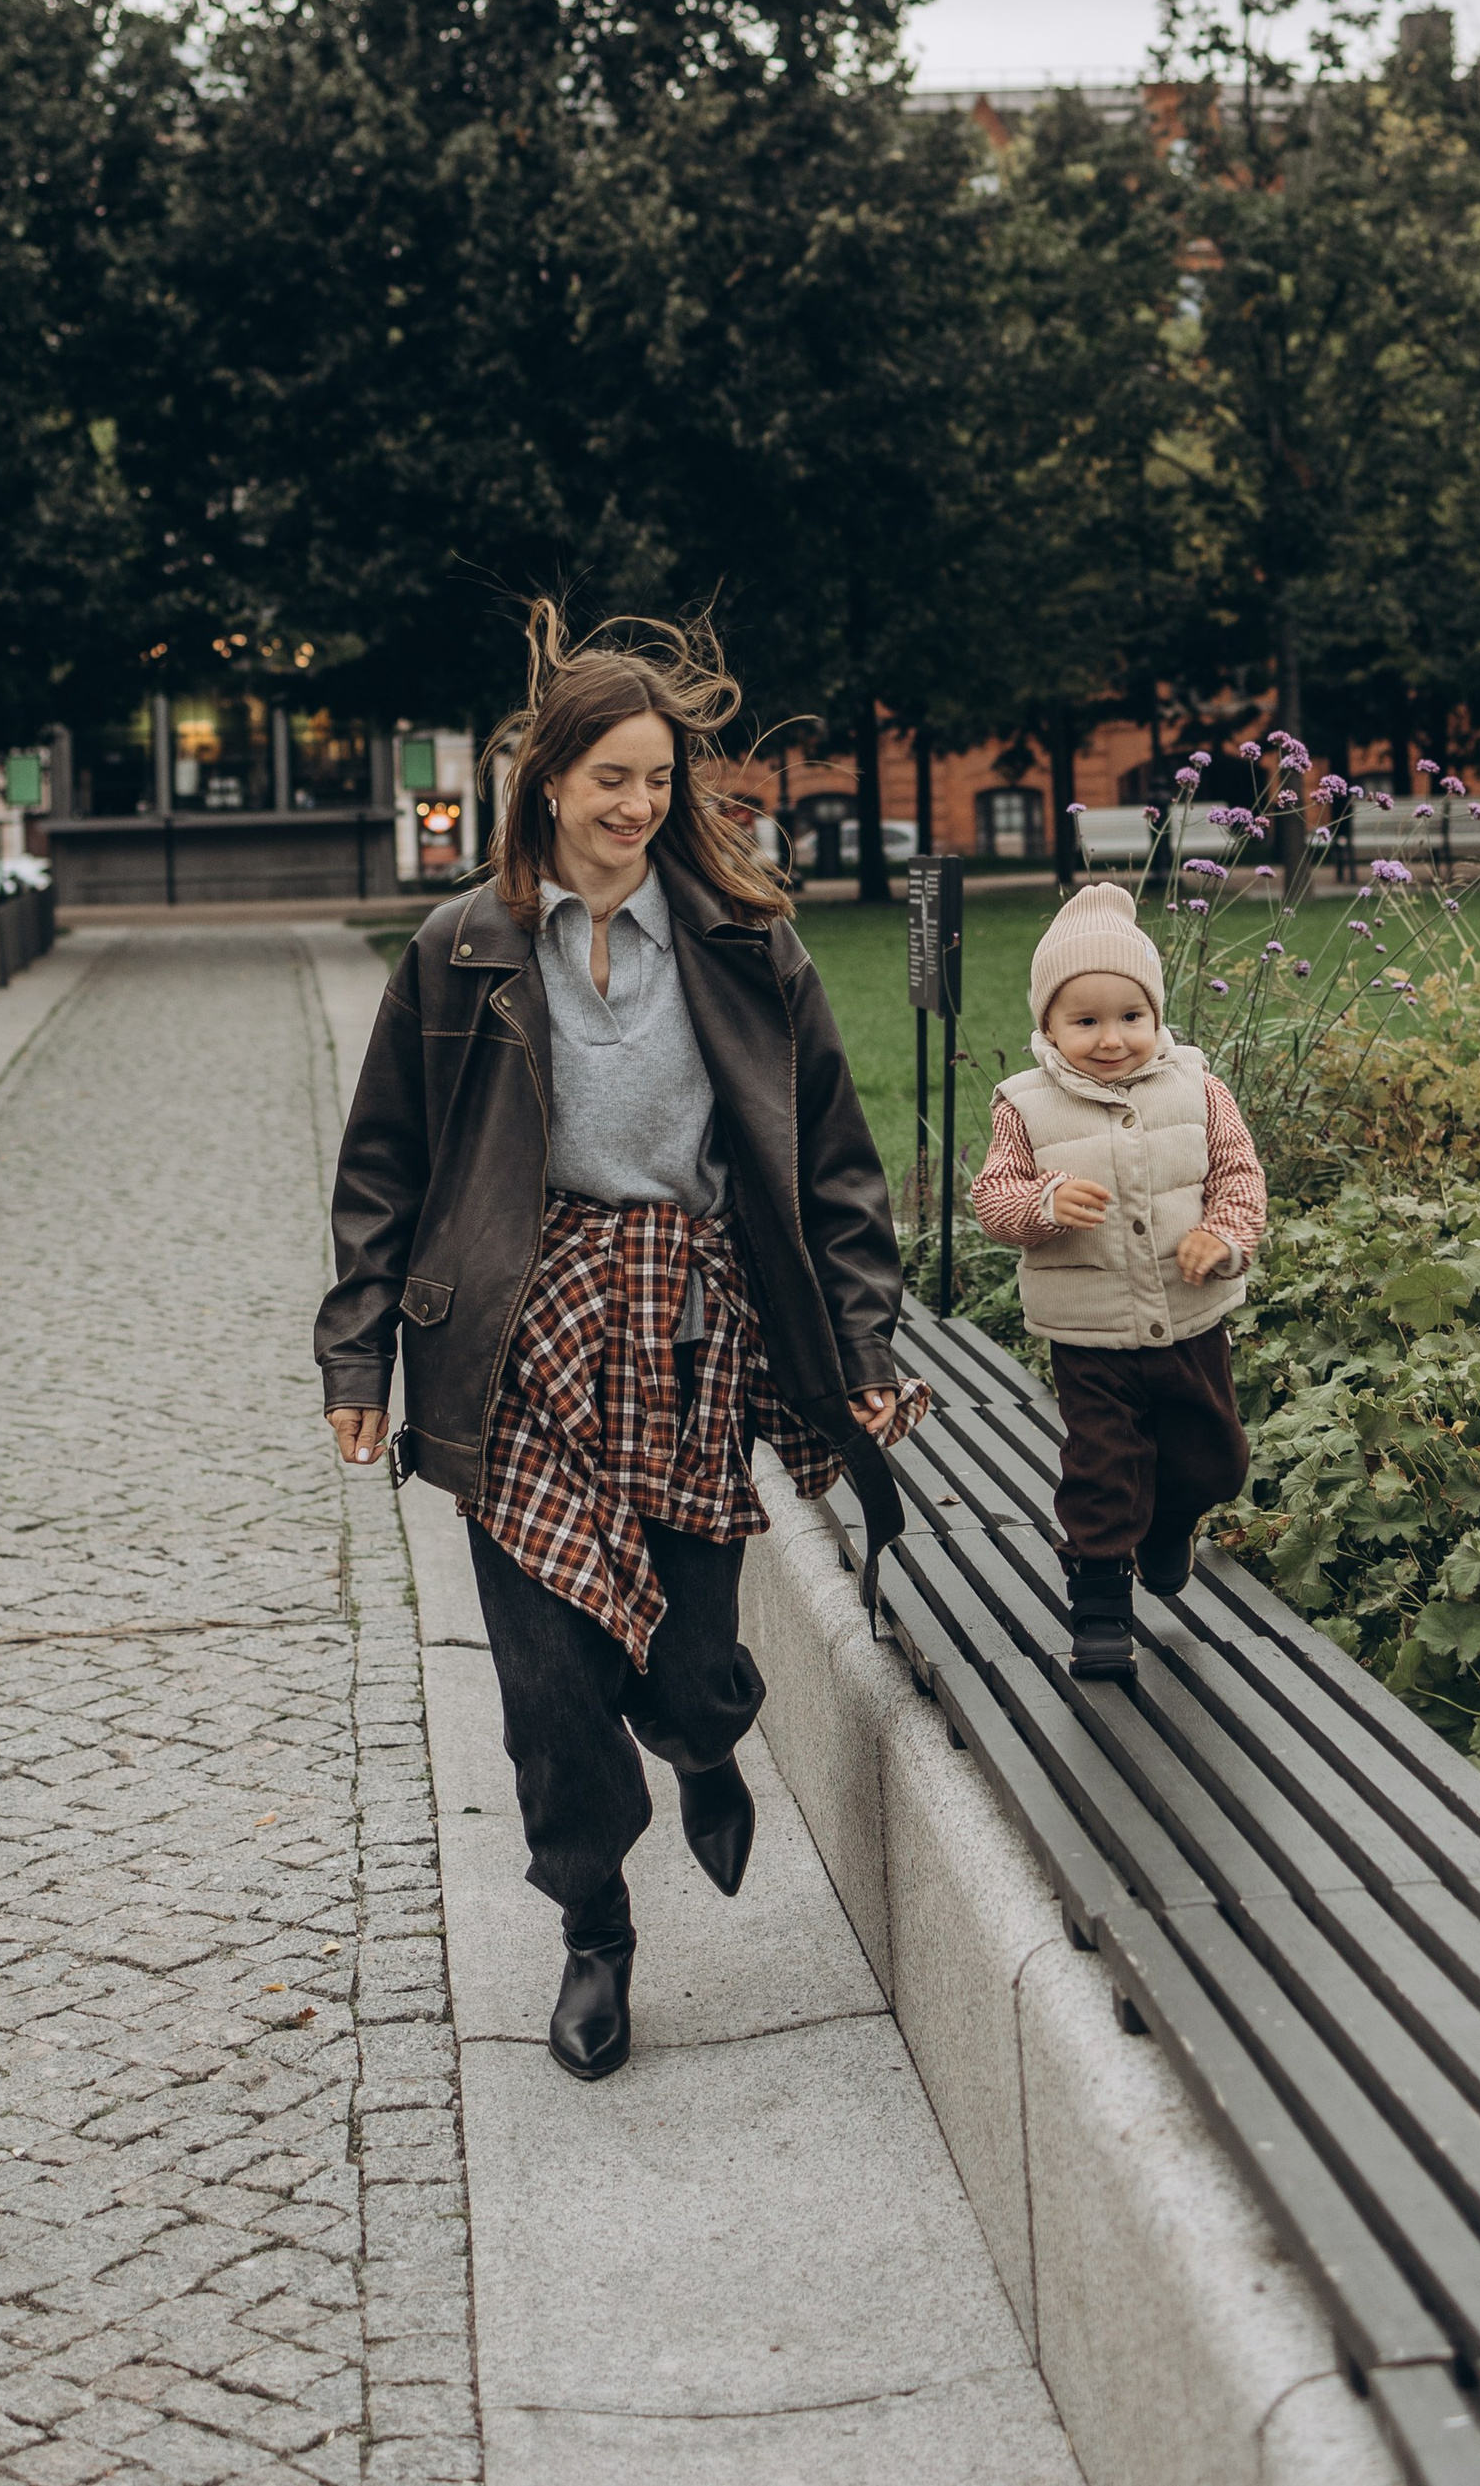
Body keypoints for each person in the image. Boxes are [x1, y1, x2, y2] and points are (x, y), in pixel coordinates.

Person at [315, 606, 922, 2084]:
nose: (639, 806)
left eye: (659, 779)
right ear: (548, 784)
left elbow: (832, 1161)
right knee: (548, 1684)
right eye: (613, 780)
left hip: (690, 1325)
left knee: (695, 1659)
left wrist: (863, 1340)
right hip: (518, 1332)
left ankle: (705, 1741)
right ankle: (595, 1926)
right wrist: (357, 1356)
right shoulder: (460, 948)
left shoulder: (743, 942)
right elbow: (383, 1164)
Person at [968, 881, 1261, 1676]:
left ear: (1157, 1014)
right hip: (1091, 1332)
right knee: (1102, 1469)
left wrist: (1223, 1237)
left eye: (1130, 1017)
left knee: (1215, 1459)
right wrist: (1047, 1200)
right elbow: (993, 1198)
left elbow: (1238, 1176)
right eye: (1084, 1020)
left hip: (1191, 1319)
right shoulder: (1023, 1105)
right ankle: (1099, 1606)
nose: (1110, 1039)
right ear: (1048, 1024)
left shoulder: (1200, 1089)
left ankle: (1168, 1525)